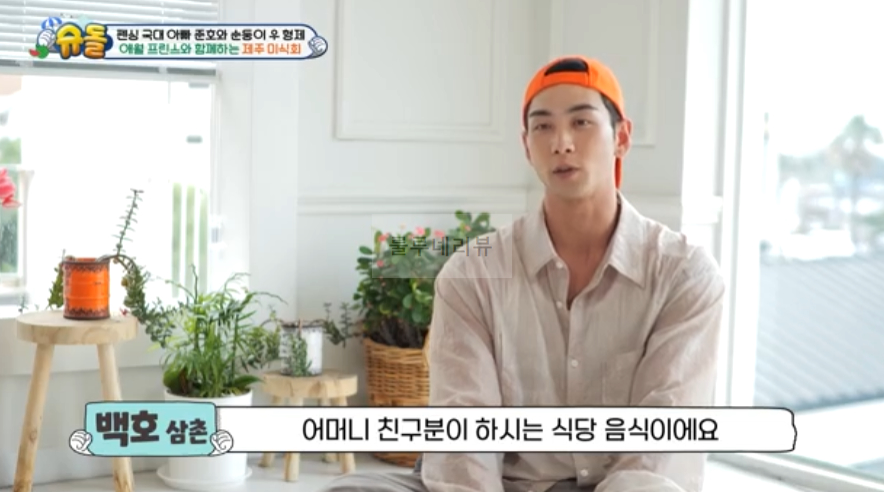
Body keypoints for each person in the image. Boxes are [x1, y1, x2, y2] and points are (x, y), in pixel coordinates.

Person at [320, 55, 726, 492]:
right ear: (526, 145)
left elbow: (659, 451)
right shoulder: (472, 273)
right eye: (543, 126)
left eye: (581, 122)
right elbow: (464, 442)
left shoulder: (684, 275)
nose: (561, 143)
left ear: (622, 137)